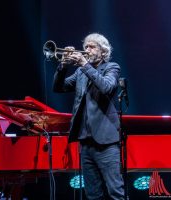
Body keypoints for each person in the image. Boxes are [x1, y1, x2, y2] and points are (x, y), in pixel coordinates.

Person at [53, 33, 125, 199]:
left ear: (103, 51)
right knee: (92, 194)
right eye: (86, 47)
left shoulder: (111, 67)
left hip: (106, 143)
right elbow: (59, 87)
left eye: (91, 47)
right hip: (85, 143)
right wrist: (63, 65)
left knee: (115, 192)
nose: (87, 50)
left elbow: (107, 87)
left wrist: (85, 64)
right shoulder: (80, 72)